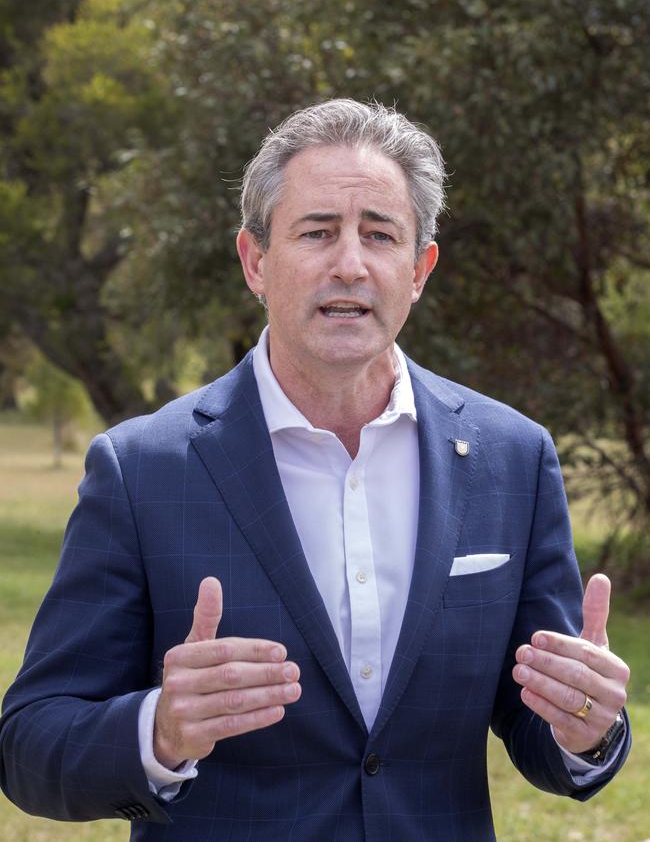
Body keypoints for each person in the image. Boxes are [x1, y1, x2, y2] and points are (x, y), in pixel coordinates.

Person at [0, 99, 631, 841]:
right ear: (255, 261)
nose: (351, 264)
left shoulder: (512, 457)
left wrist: (584, 726)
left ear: (419, 268)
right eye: (318, 231)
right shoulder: (142, 470)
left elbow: (543, 729)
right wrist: (159, 731)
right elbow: (31, 743)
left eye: (380, 234)